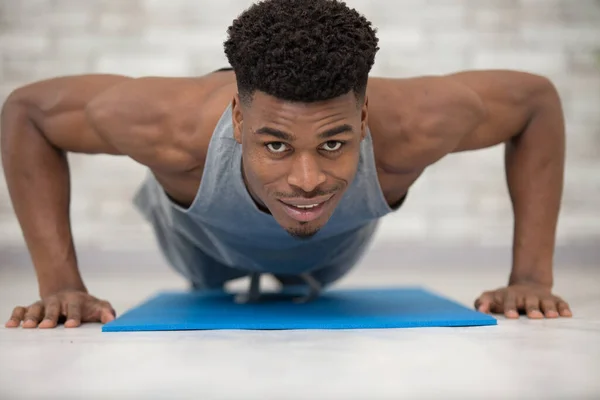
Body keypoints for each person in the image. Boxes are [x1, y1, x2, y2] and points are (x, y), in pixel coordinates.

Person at [1, 0, 572, 329]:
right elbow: (27, 112)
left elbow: (535, 103)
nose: (306, 179)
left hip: (330, 256)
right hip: (199, 247)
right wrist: (60, 286)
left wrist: (530, 278)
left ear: (364, 114)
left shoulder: (415, 125)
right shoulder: (168, 127)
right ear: (240, 120)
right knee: (207, 268)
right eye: (276, 144)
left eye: (333, 144)